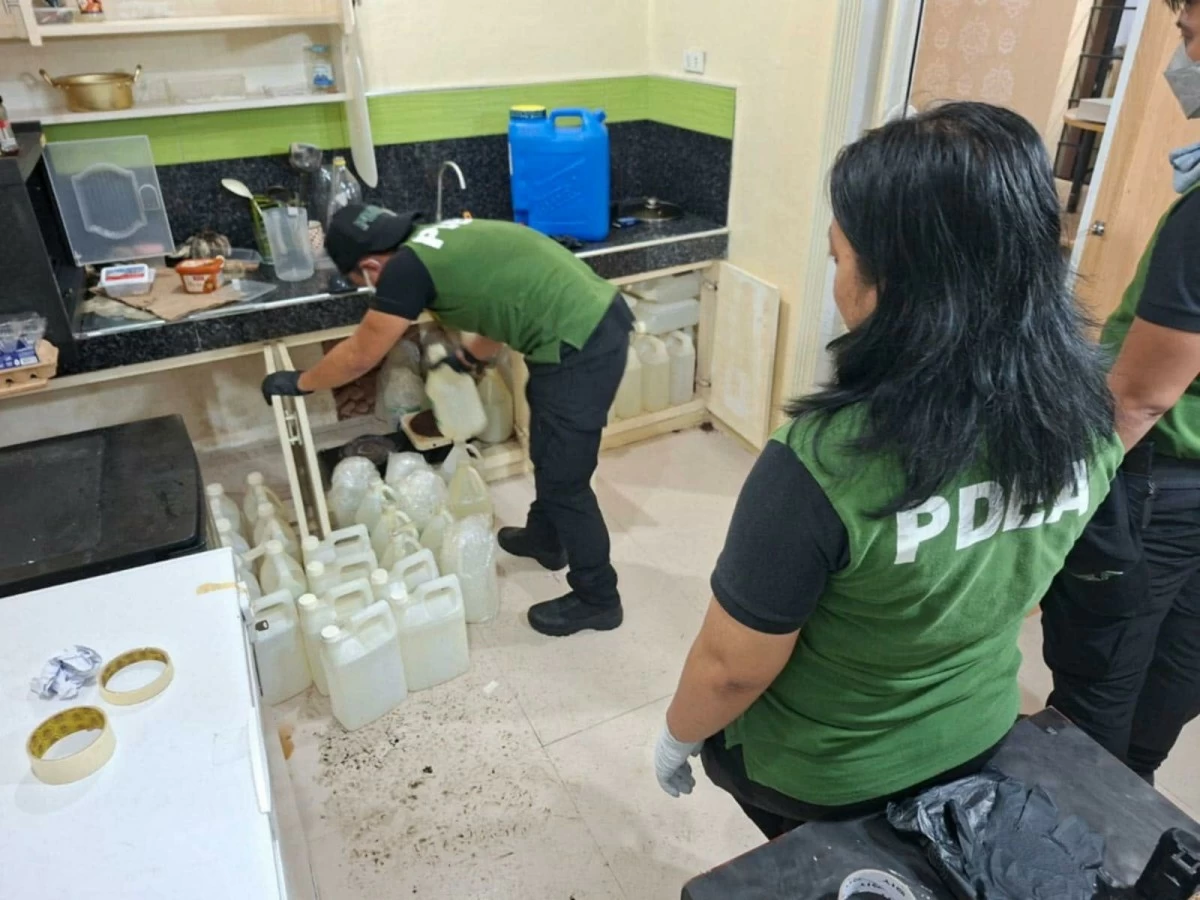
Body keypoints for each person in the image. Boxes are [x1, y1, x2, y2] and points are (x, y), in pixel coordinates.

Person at [652, 102, 1123, 838]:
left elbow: (730, 669)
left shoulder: (823, 461)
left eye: (839, 258)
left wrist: (678, 735)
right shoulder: (1088, 417)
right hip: (979, 730)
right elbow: (1022, 589)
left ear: (896, 283)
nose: (836, 278)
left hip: (827, 774)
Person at [260, 206, 633, 637]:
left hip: (583, 342)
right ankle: (547, 538)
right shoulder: (434, 239)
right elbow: (499, 301)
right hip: (578, 331)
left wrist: (302, 382)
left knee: (567, 479)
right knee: (546, 447)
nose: (373, 289)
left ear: (370, 265)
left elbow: (361, 354)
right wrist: (469, 357)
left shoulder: (403, 270)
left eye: (365, 282)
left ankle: (598, 597)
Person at [1041, 0, 1200, 782]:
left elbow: (1140, 397)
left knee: (1103, 667)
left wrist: (1056, 508)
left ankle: (1090, 815)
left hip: (1160, 488)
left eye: (1192, 36)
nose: (1181, 60)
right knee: (1178, 665)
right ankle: (1134, 796)